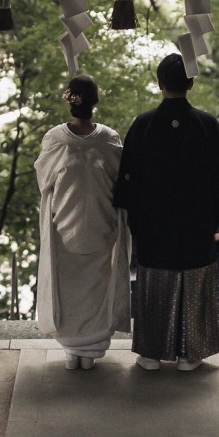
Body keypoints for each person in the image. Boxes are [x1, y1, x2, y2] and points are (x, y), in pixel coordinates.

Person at [113, 53, 219, 371]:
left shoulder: (143, 124)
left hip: (154, 225)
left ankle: (150, 352)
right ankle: (190, 353)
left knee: (155, 282)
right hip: (197, 223)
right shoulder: (207, 125)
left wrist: (135, 216)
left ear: (159, 84)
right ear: (191, 83)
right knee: (194, 281)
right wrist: (214, 211)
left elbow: (127, 178)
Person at [35, 74, 131, 370]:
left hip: (65, 224)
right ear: (94, 102)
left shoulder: (55, 139)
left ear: (70, 101)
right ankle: (90, 349)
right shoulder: (109, 138)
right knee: (97, 288)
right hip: (101, 224)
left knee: (67, 290)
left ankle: (72, 350)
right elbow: (120, 179)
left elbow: (44, 181)